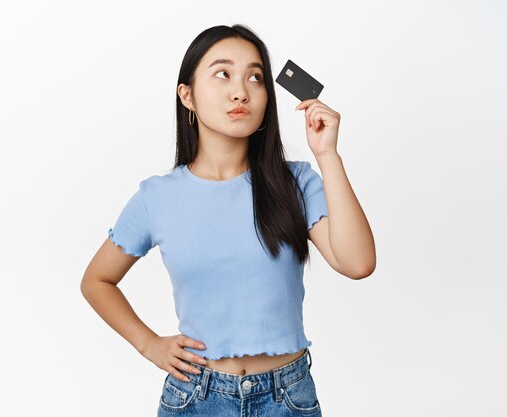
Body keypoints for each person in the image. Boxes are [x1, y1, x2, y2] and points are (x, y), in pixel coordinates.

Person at [80, 24, 376, 416]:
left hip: (287, 397)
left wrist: (328, 155)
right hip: (195, 398)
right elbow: (96, 280)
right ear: (187, 95)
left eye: (255, 77)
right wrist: (149, 344)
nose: (241, 91)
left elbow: (357, 264)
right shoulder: (157, 196)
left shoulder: (296, 182)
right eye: (223, 74)